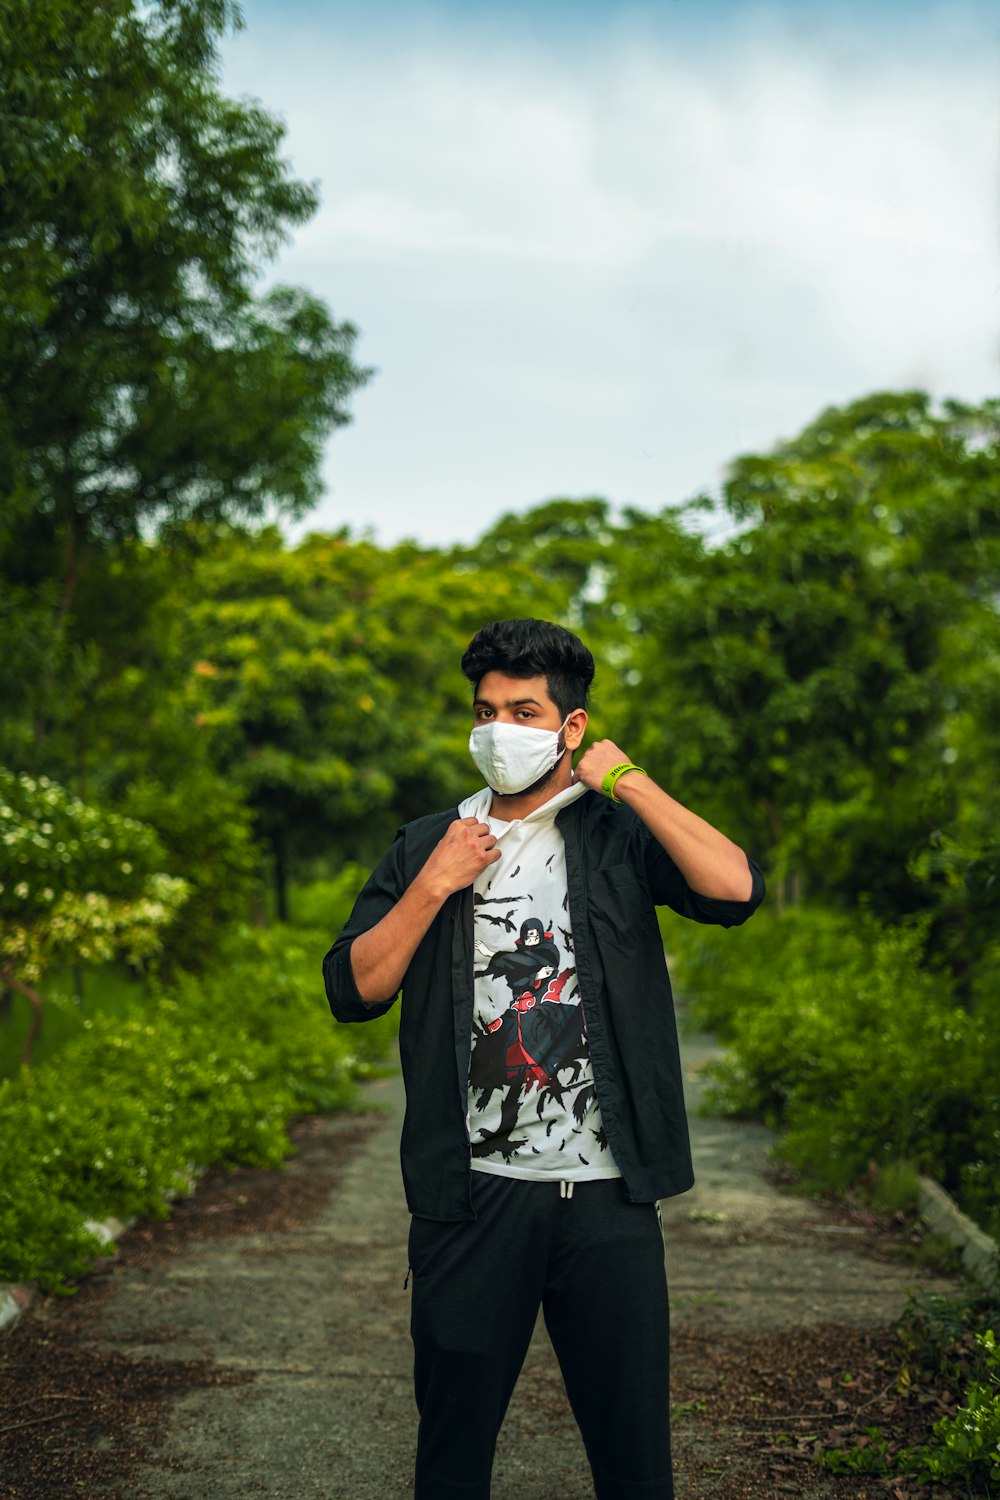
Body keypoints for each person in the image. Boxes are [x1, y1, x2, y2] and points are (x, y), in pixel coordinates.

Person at [323, 617, 765, 1500]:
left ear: (570, 727)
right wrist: (436, 881)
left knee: (635, 1461)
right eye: (485, 710)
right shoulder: (426, 844)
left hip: (608, 1200)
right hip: (471, 1202)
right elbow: (354, 989)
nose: (498, 730)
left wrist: (629, 780)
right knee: (451, 1460)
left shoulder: (614, 835)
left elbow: (732, 887)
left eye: (524, 710)